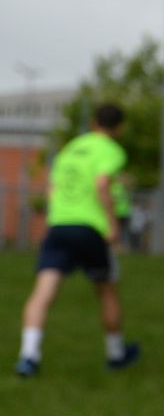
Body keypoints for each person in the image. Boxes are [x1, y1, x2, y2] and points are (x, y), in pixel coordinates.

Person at [14, 102, 140, 377]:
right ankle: (116, 354)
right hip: (90, 228)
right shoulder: (110, 150)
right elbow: (102, 183)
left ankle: (29, 355)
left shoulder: (70, 148)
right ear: (119, 127)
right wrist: (112, 224)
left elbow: (52, 187)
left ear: (94, 122)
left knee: (43, 292)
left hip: (59, 225)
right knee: (106, 290)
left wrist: (56, 215)